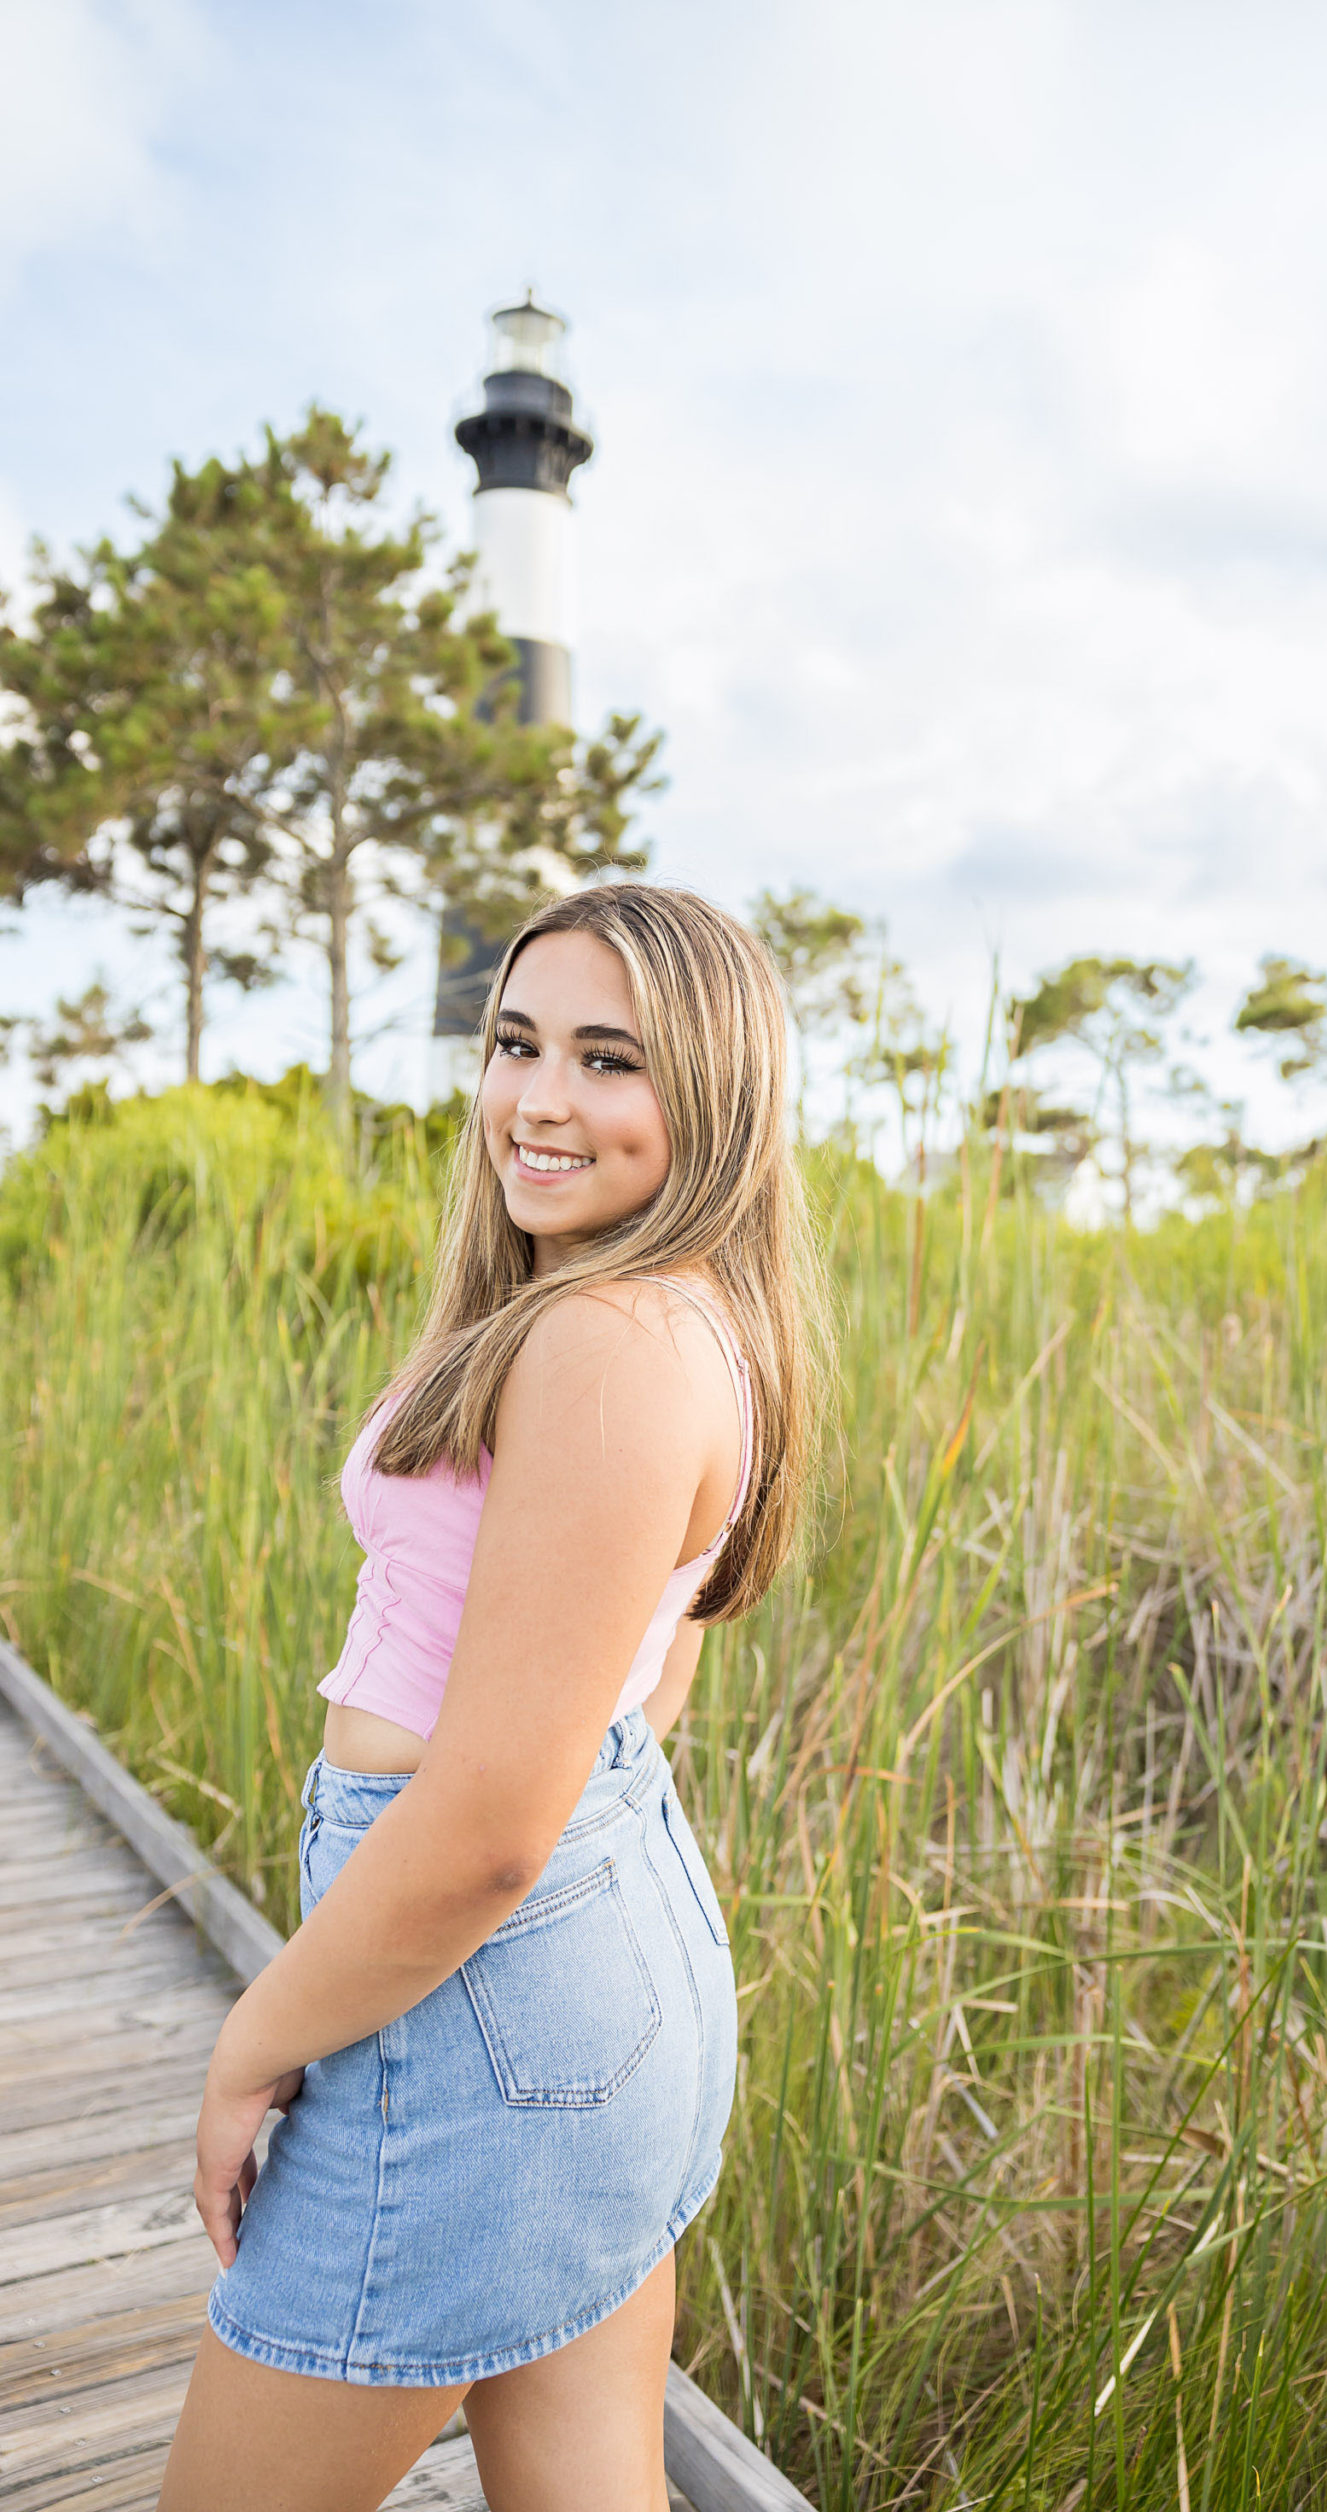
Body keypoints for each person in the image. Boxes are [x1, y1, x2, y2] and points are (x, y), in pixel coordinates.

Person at [159, 883, 824, 2512]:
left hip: (485, 1996)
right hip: (597, 1963)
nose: (537, 1100)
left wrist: (254, 2042)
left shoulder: (600, 1343)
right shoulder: (686, 1320)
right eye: (517, 1042)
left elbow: (483, 1841)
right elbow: (650, 1668)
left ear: (715, 1096)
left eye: (613, 1060)